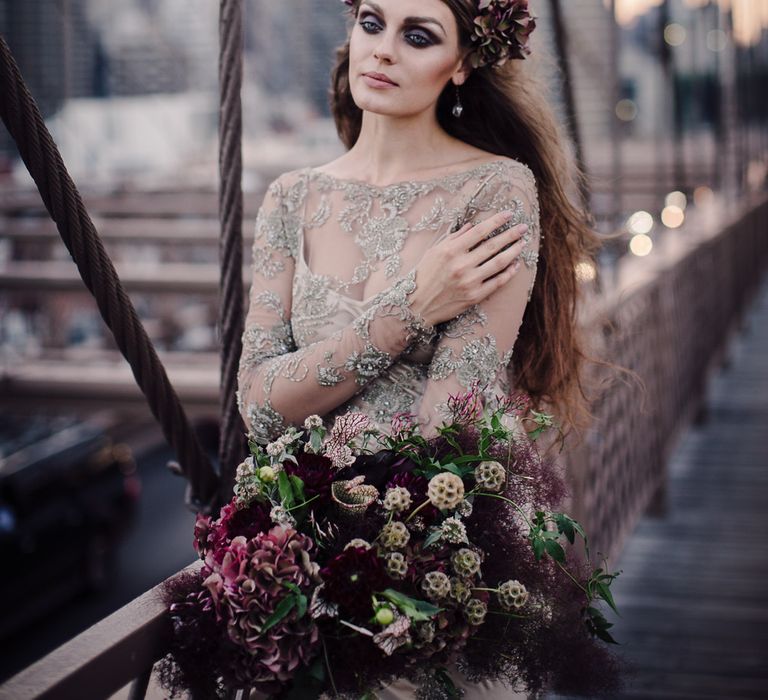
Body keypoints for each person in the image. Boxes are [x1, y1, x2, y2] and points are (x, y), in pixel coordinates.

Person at [237, 0, 600, 696]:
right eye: (372, 22)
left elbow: (449, 421)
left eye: (419, 35)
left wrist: (312, 403)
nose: (383, 50)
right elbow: (258, 404)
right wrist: (414, 306)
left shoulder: (495, 189)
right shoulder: (290, 198)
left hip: (438, 556)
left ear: (461, 63)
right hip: (302, 557)